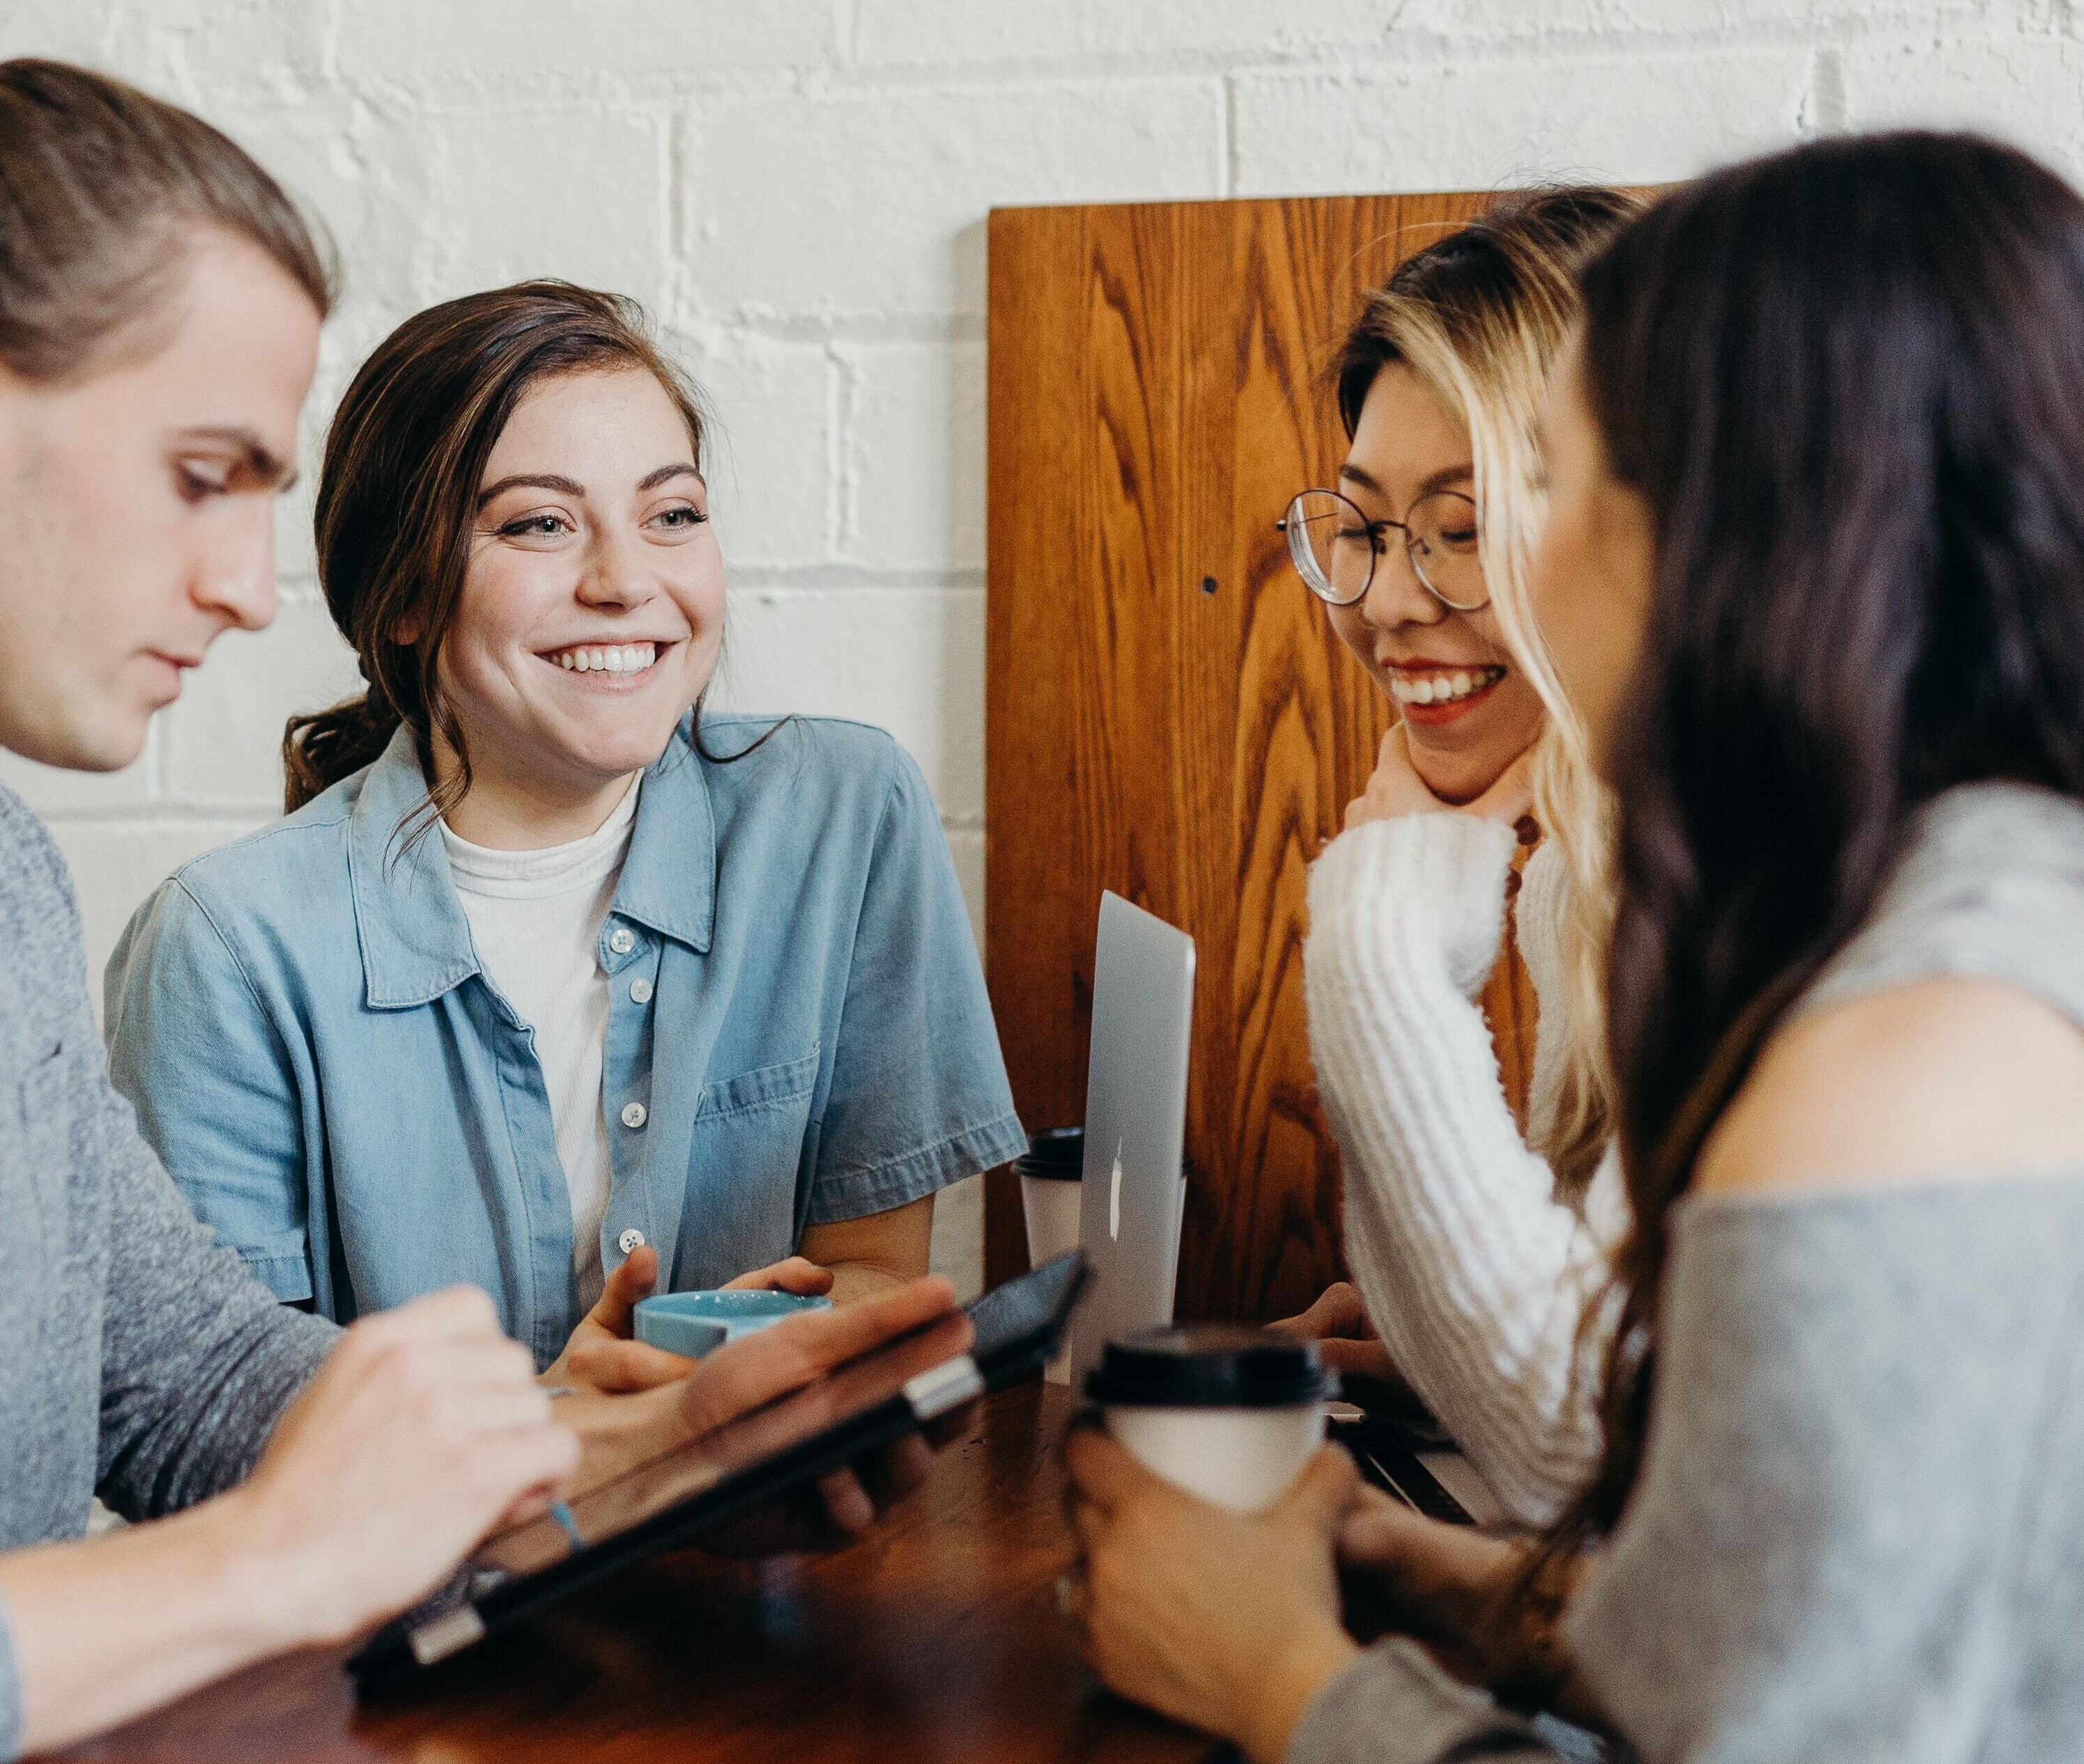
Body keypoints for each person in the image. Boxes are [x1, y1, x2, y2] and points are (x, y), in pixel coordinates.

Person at [0, 8, 959, 1761]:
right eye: (198, 478)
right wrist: (267, 1563)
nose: (251, 589)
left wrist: (615, 1466)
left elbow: (178, 1374)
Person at [1065, 130, 2084, 1763]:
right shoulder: (1966, 909)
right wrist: (1475, 1598)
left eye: (1560, 474)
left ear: (1742, 527)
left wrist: (1278, 1681)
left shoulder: (1903, 1056)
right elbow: (1796, 1637)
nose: (1439, 586)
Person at [106, 281, 1025, 1388]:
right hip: (429, 1562)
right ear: (398, 595)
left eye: (671, 514)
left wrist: (727, 1373)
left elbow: (873, 1274)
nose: (625, 580)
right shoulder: (225, 948)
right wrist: (572, 1432)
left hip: (765, 1539)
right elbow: (224, 1423)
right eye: (540, 523)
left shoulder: (841, 816)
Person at [1272, 189, 1640, 1526]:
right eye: (1364, 526)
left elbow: (1575, 1454)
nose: (1383, 600)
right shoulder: (1582, 871)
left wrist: (1376, 939)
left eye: (1464, 525)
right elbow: (1596, 1399)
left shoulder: (1742, 885)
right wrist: (1437, 1342)